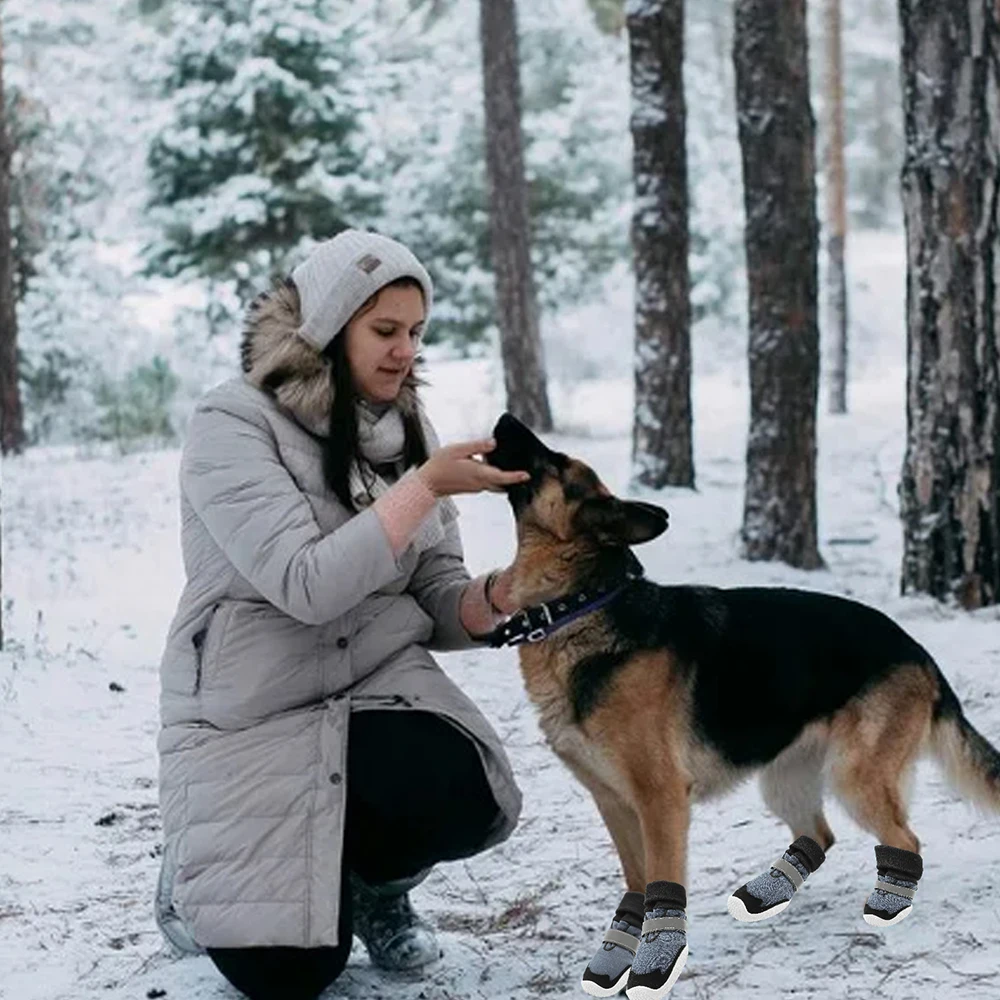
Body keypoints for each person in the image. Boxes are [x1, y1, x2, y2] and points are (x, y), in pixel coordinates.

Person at [154, 229, 532, 1000]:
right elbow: (305, 584)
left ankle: (373, 887)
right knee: (289, 979)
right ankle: (190, 872)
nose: (404, 351)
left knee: (465, 789)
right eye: (384, 331)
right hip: (254, 703)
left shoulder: (407, 435)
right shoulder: (233, 424)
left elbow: (435, 591)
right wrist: (424, 488)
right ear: (328, 328)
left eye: (416, 333)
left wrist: (498, 599)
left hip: (372, 684)